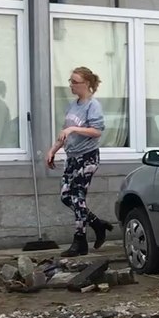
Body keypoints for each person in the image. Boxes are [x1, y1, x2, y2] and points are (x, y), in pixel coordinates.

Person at [47, 66, 112, 257]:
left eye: (75, 82)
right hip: (72, 157)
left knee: (77, 196)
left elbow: (97, 131)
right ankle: (97, 224)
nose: (71, 85)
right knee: (66, 196)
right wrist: (53, 150)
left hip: (88, 156)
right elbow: (64, 133)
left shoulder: (93, 106)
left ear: (87, 84)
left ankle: (80, 240)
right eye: (70, 81)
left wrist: (74, 129)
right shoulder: (73, 105)